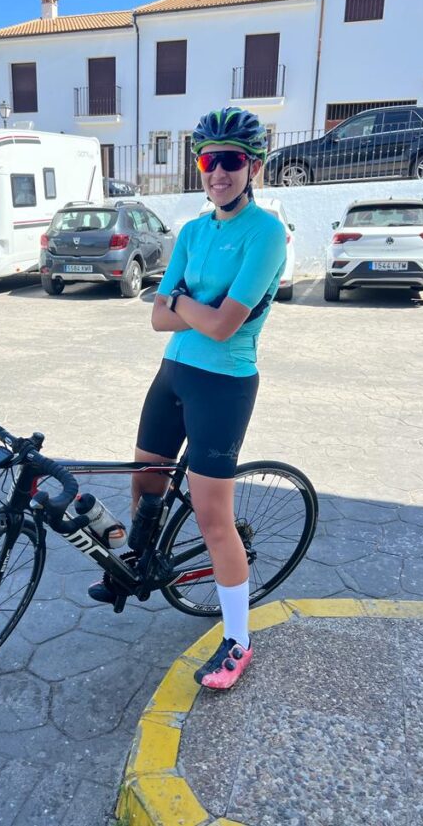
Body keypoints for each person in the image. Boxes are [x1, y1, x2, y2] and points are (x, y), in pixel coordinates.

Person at [89, 107, 287, 691]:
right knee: (144, 482)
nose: (217, 172)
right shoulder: (195, 231)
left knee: (212, 517)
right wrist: (185, 308)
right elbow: (157, 318)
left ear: (253, 168)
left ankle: (238, 640)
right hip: (173, 373)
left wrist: (179, 302)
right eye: (208, 160)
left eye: (230, 161)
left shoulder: (266, 233)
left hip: (223, 384)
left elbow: (225, 327)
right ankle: (137, 566)